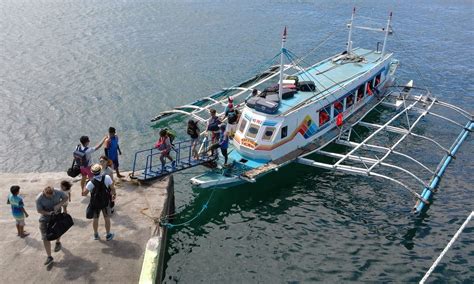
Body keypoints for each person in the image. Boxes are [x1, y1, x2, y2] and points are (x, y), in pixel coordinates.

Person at [82, 164, 116, 241]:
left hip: (95, 203)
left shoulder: (91, 182)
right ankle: (108, 235)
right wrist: (114, 195)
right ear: (100, 171)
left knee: (96, 218)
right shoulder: (106, 177)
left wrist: (85, 185)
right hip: (105, 201)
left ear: (92, 172)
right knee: (106, 217)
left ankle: (96, 235)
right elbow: (112, 188)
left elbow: (84, 194)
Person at [36, 186, 68, 265]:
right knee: (45, 237)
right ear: (44, 193)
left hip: (57, 215)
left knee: (58, 230)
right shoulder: (39, 199)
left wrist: (59, 205)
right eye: (49, 196)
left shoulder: (57, 192)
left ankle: (58, 242)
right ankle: (49, 257)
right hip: (45, 218)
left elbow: (66, 197)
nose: (51, 197)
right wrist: (48, 213)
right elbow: (39, 210)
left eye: (52, 195)